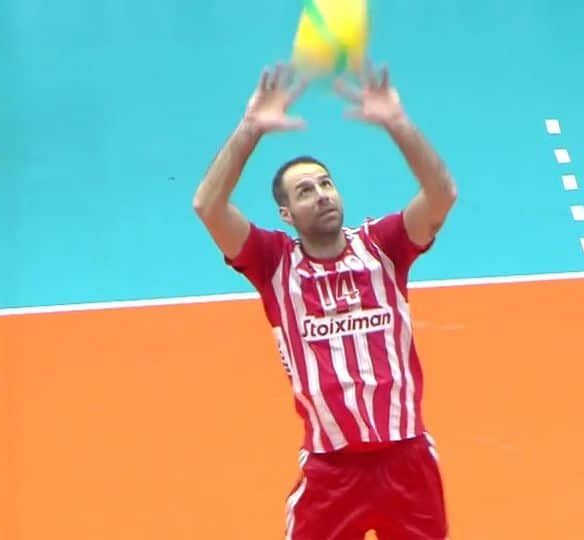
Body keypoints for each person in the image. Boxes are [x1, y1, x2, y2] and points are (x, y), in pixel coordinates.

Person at [192, 61, 458, 540]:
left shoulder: (384, 246)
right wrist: (250, 128)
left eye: (326, 184)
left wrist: (397, 123)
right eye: (305, 191)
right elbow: (207, 207)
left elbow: (441, 194)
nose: (321, 195)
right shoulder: (273, 263)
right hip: (332, 471)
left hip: (408, 460)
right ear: (286, 214)